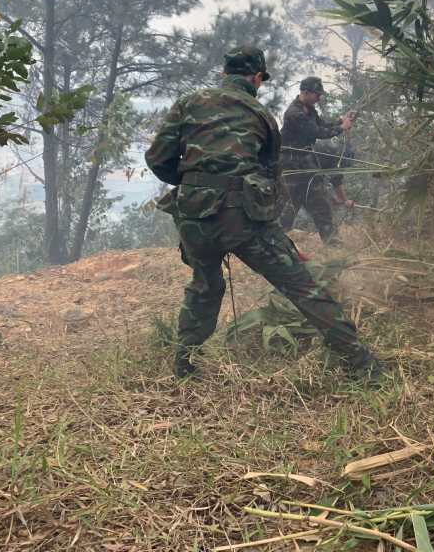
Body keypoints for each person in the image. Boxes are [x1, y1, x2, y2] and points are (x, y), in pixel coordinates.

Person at [144, 48, 381, 382]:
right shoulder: (262, 116)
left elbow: (157, 158)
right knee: (300, 285)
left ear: (224, 73)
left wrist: (196, 184)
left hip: (193, 216)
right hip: (241, 218)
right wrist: (274, 235)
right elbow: (271, 175)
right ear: (257, 78)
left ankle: (185, 366)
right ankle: (361, 364)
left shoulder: (188, 103)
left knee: (205, 286)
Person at [279, 76, 354, 243]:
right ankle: (274, 244)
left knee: (320, 203)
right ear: (305, 92)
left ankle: (332, 242)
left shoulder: (309, 109)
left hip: (307, 163)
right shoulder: (294, 113)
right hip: (291, 166)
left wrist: (339, 121)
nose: (319, 97)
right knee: (288, 207)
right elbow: (317, 133)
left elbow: (321, 125)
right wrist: (341, 128)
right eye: (316, 94)